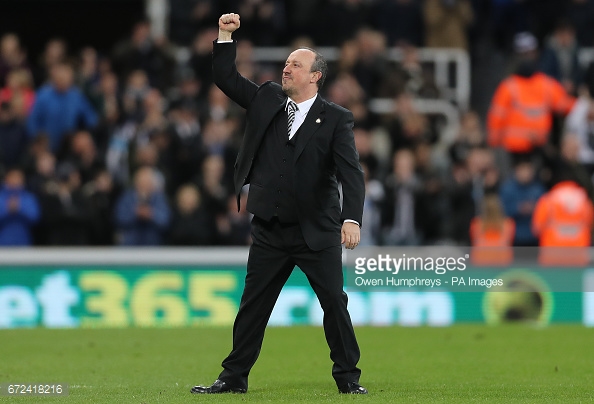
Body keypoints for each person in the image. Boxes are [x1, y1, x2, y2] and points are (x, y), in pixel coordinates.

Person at [191, 13, 366, 395]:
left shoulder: (336, 119)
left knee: (334, 304)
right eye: (286, 63)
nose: (286, 68)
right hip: (270, 227)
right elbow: (226, 78)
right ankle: (233, 378)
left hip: (316, 230)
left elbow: (351, 174)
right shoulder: (267, 98)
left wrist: (351, 218)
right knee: (252, 308)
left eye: (295, 65)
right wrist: (224, 35)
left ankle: (348, 380)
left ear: (315, 76)